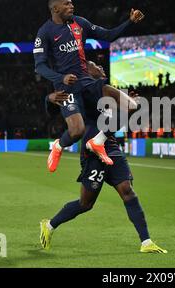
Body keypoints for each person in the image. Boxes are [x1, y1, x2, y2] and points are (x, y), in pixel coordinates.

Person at [40, 62, 167, 254]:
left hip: (111, 147)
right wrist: (49, 98)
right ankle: (49, 225)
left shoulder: (107, 92)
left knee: (128, 191)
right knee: (85, 204)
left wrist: (127, 104)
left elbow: (120, 115)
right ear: (85, 71)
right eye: (94, 65)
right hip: (92, 152)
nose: (99, 66)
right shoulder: (82, 91)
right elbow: (55, 108)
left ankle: (146, 242)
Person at [34, 0, 144, 172]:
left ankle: (98, 141)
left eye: (72, 3)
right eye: (67, 4)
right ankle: (58, 146)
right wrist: (60, 78)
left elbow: (108, 35)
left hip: (87, 82)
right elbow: (40, 66)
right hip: (66, 88)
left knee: (131, 105)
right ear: (55, 9)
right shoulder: (45, 32)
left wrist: (130, 22)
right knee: (77, 131)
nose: (72, 6)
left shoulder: (80, 23)